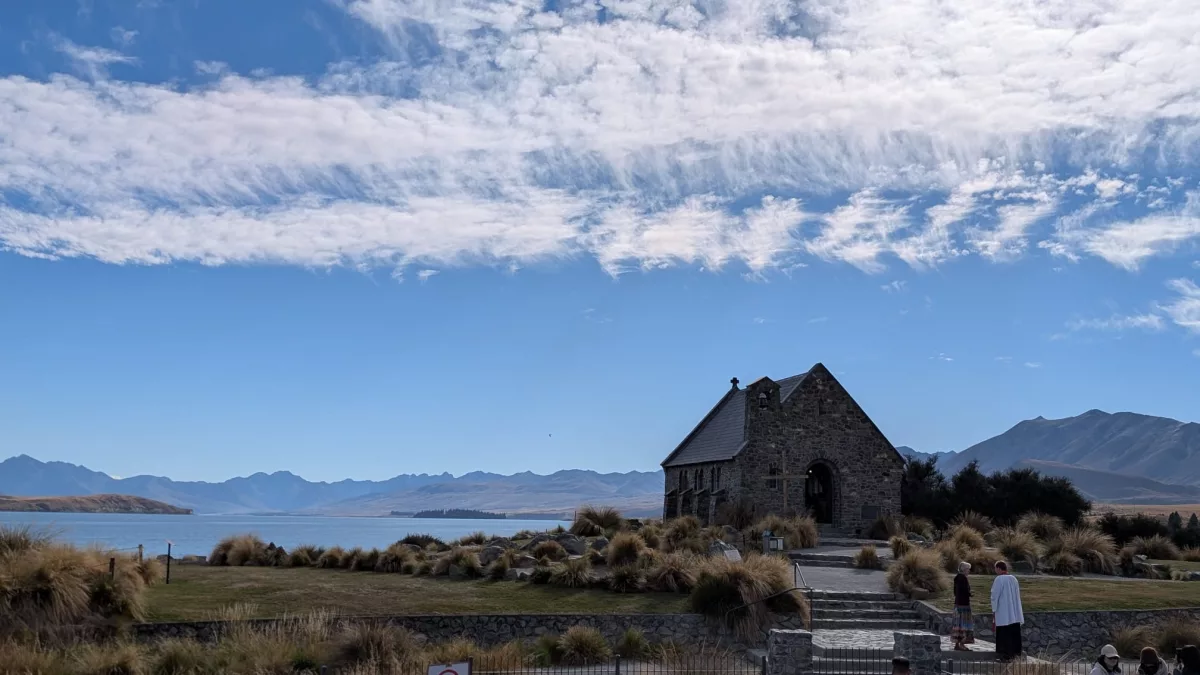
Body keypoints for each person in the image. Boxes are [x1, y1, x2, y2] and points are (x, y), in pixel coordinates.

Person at [990, 560, 1025, 661]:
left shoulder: (999, 579)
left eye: (996, 568)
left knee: (1004, 633)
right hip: (1014, 611)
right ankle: (1015, 653)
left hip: (1004, 611)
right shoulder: (1013, 578)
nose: (995, 570)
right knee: (1014, 632)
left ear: (999, 568)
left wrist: (994, 608)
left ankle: (1005, 655)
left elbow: (994, 595)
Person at [952, 561, 975, 651]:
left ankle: (957, 644)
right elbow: (965, 591)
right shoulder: (964, 578)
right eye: (968, 569)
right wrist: (970, 594)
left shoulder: (957, 578)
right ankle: (962, 644)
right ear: (964, 569)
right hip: (964, 605)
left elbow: (955, 592)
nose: (969, 571)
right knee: (964, 625)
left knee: (958, 625)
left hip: (957, 604)